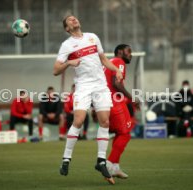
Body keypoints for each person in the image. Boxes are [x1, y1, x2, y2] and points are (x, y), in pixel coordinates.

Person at [53, 15, 123, 184]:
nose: (74, 20)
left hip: (100, 85)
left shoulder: (93, 37)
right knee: (78, 120)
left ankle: (101, 161)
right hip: (83, 86)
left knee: (105, 122)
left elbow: (104, 59)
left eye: (74, 18)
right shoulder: (67, 45)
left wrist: (117, 71)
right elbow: (56, 70)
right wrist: (69, 63)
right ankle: (66, 158)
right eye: (70, 20)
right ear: (67, 28)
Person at [104, 44, 134, 179]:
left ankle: (115, 167)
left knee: (119, 132)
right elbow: (116, 83)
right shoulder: (119, 62)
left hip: (104, 102)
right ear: (120, 52)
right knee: (125, 133)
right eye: (129, 51)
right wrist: (131, 98)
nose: (131, 54)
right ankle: (108, 164)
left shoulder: (109, 62)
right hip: (114, 102)